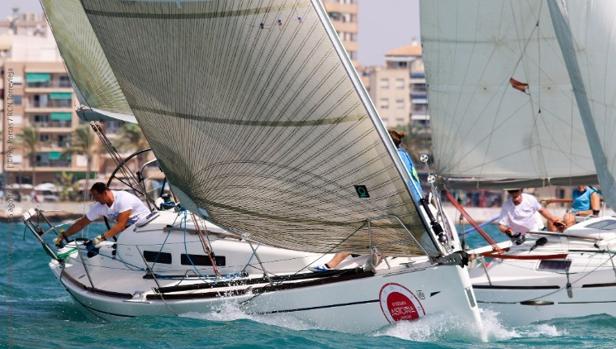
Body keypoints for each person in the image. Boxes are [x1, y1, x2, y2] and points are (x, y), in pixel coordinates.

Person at [310, 129, 421, 272]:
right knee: (382, 231)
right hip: (416, 208)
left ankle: (330, 266)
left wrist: (362, 193)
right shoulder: (403, 155)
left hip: (406, 208)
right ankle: (379, 254)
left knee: (358, 235)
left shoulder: (392, 159)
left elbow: (379, 185)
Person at [54, 182, 150, 247]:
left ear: (105, 193)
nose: (95, 199)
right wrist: (63, 236)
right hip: (132, 231)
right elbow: (81, 223)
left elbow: (121, 225)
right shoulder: (99, 206)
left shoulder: (123, 198)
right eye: (93, 196)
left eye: (96, 196)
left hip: (148, 226)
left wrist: (101, 238)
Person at [498, 189, 564, 244]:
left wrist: (554, 221)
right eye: (511, 191)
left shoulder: (530, 199)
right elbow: (501, 226)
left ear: (521, 190)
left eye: (516, 191)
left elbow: (542, 210)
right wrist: (508, 231)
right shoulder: (506, 205)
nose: (514, 193)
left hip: (536, 234)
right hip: (518, 238)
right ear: (509, 192)